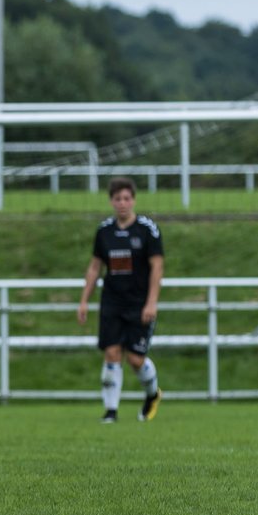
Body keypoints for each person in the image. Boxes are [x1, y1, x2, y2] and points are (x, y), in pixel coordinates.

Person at [77, 175, 164, 423]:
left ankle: (152, 394)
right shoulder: (104, 231)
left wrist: (151, 302)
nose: (122, 203)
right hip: (112, 302)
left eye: (127, 198)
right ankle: (111, 411)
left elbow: (157, 267)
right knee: (112, 353)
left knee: (136, 359)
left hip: (139, 303)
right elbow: (95, 268)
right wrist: (84, 300)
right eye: (118, 199)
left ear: (133, 200)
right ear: (111, 201)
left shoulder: (148, 230)